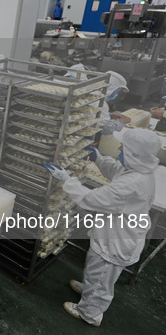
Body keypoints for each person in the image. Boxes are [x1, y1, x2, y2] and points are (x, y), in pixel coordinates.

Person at [44, 129, 161, 327]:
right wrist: (98, 158)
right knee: (95, 270)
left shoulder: (132, 184)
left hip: (116, 242)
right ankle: (90, 289)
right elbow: (117, 171)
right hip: (115, 233)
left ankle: (90, 313)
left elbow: (91, 199)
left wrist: (67, 180)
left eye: (124, 147)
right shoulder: (140, 171)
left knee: (102, 275)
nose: (119, 148)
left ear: (135, 154)